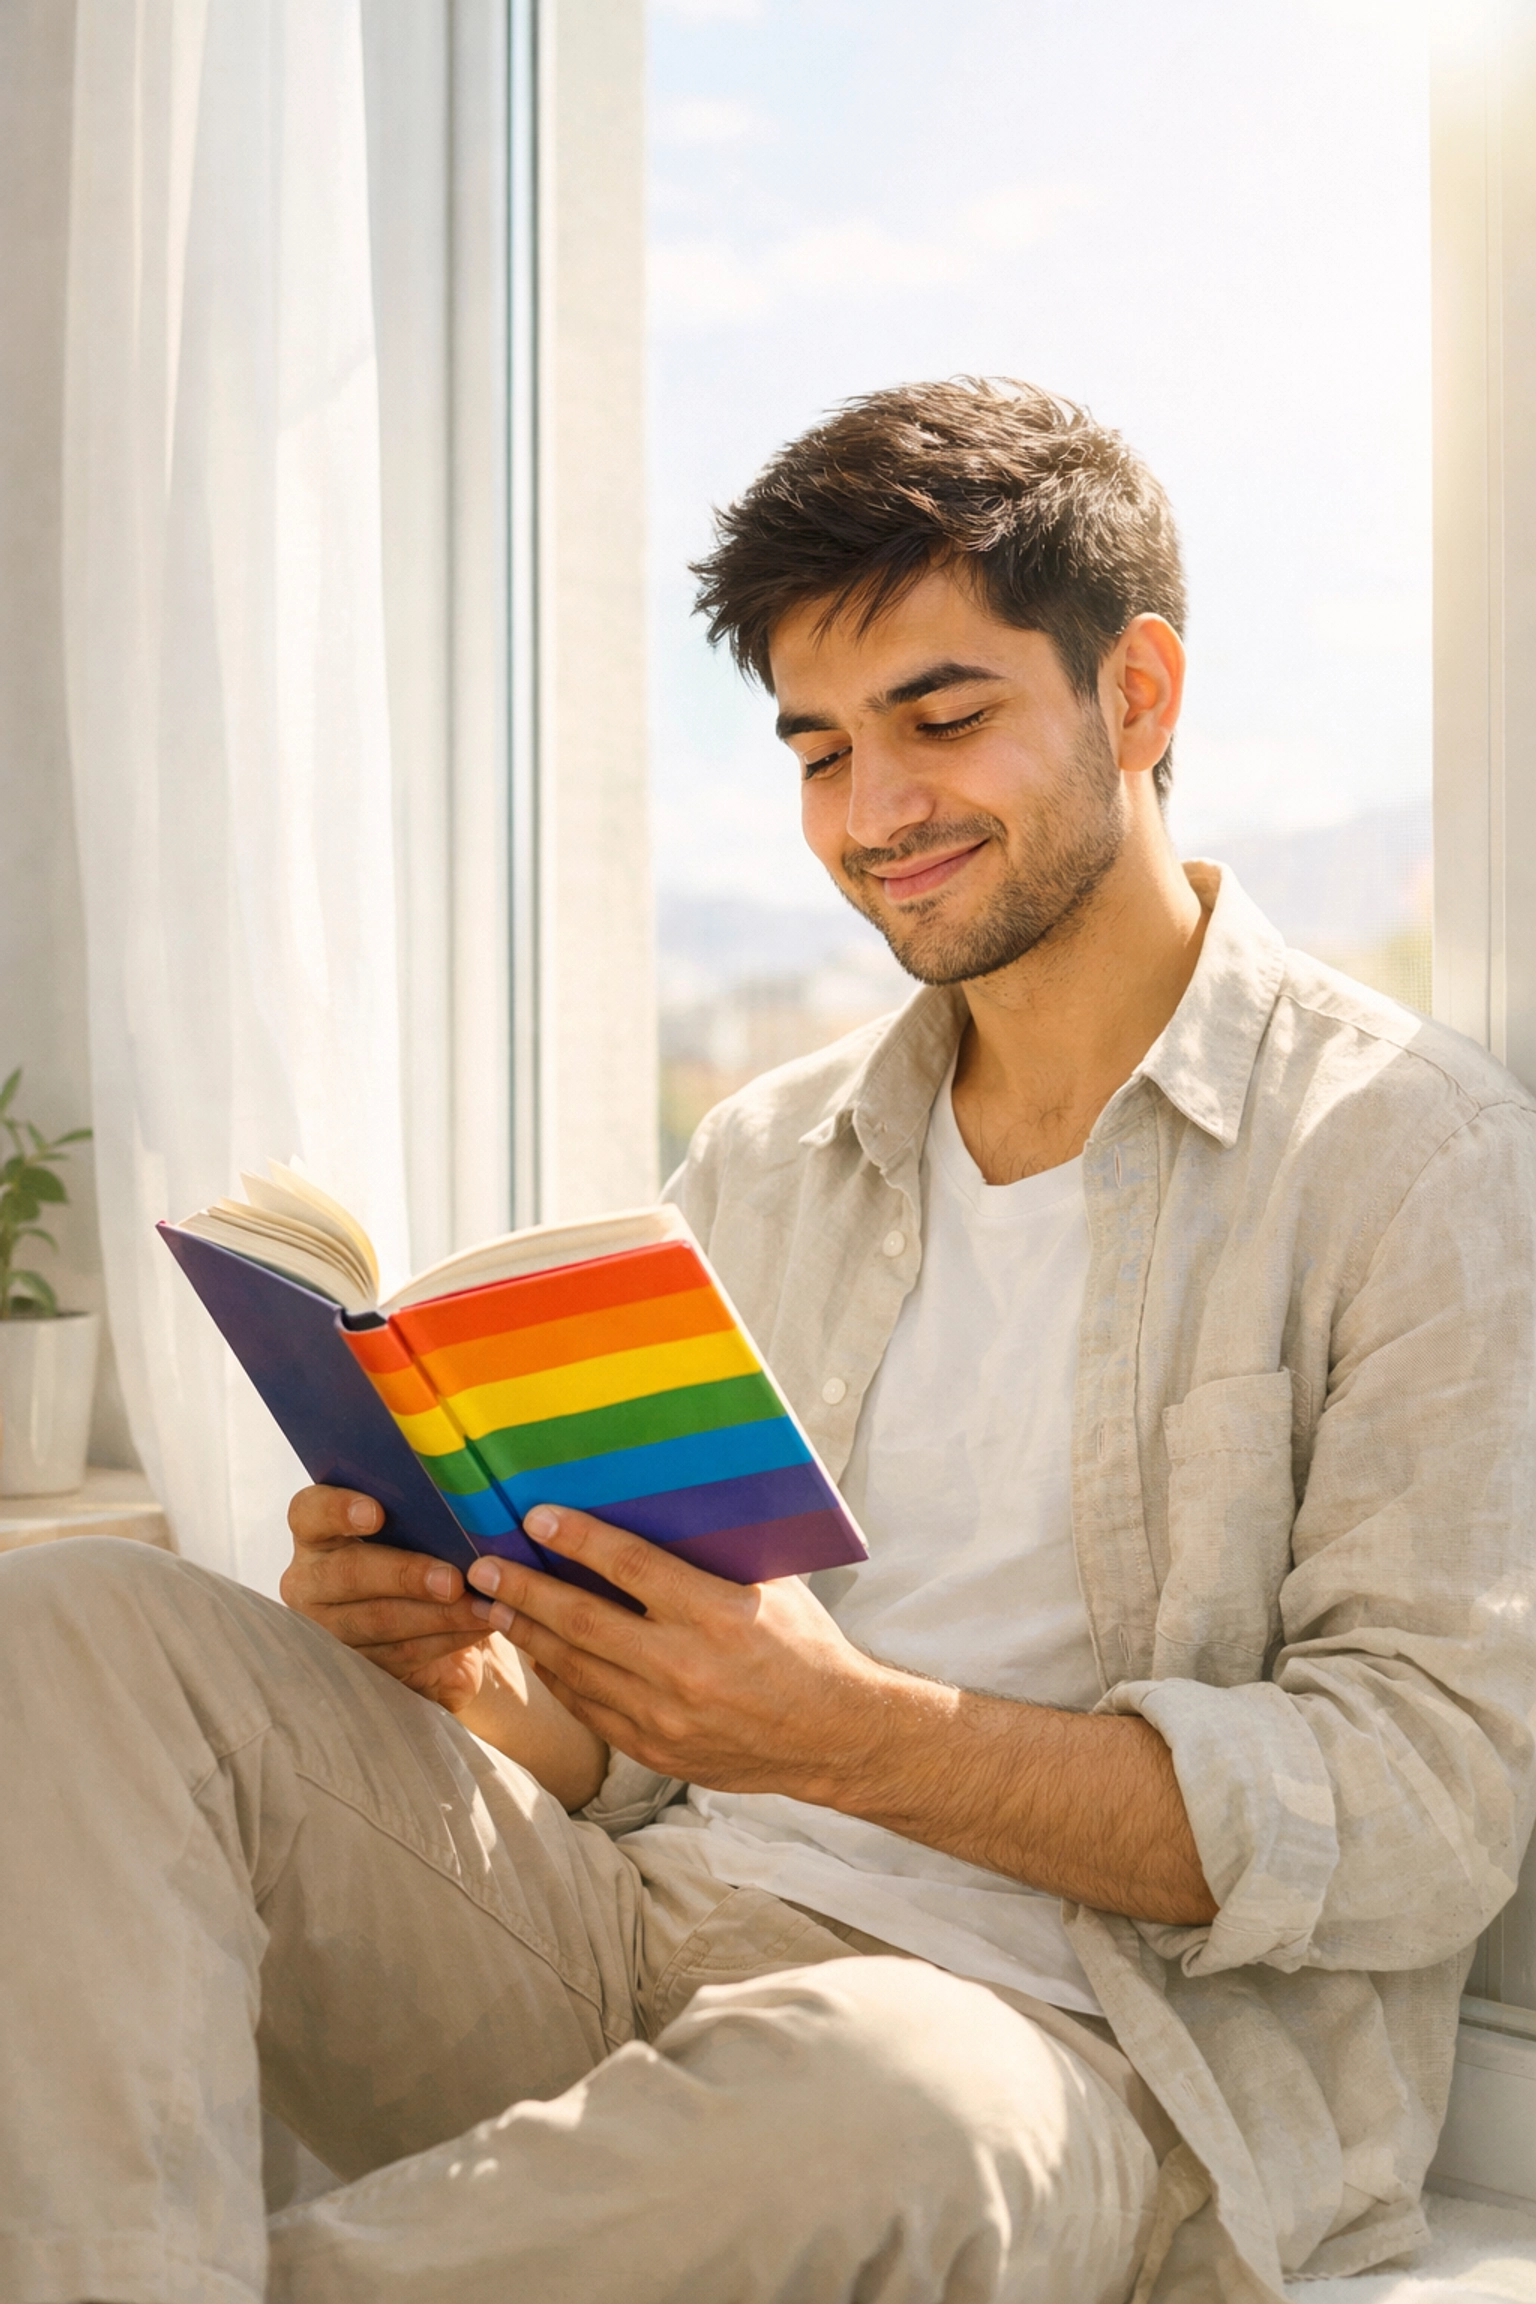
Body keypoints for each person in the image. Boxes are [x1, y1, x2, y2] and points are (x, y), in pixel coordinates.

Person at [6, 379, 1536, 2304]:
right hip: (643, 1934)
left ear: (1137, 696)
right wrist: (476, 1675)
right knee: (78, 1631)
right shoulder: (772, 1155)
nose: (872, 813)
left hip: (1066, 2063)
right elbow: (629, 1742)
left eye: (943, 719)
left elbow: (1422, 1808)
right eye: (819, 748)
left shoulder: (1406, 1156)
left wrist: (851, 1742)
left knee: (887, 2092)